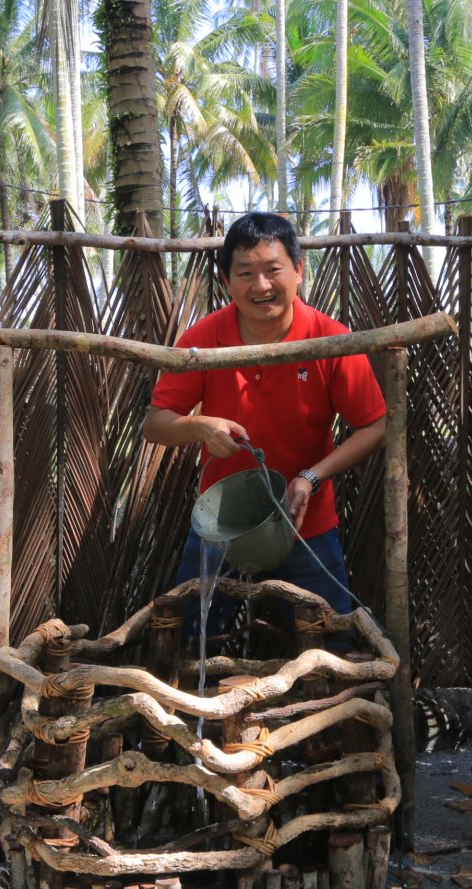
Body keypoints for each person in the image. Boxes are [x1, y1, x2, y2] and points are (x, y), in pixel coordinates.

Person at [142, 212, 386, 650]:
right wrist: (200, 425)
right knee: (192, 643)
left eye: (273, 270)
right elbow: (155, 425)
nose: (261, 286)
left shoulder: (332, 339)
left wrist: (311, 478)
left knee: (333, 647)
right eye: (245, 273)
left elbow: (375, 424)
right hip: (220, 528)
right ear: (226, 280)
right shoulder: (202, 339)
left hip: (306, 524)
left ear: (298, 270)